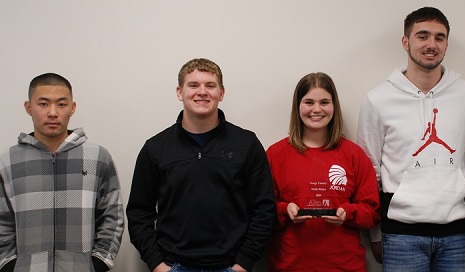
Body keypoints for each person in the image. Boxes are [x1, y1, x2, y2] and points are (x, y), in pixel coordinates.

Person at [357, 6, 465, 271]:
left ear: (447, 44)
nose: (431, 44)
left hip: (459, 236)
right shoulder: (378, 99)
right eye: (423, 36)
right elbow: (369, 172)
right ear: (406, 42)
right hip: (401, 236)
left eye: (439, 37)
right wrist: (376, 234)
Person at [127, 58, 276, 272]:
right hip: (173, 265)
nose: (202, 92)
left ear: (221, 93)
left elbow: (264, 209)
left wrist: (243, 263)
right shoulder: (156, 148)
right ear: (180, 92)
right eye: (194, 85)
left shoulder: (246, 143)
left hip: (231, 266)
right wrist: (157, 265)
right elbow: (139, 212)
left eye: (210, 85)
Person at [0, 73, 124, 272]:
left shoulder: (97, 157)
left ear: (72, 107)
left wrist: (99, 262)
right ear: (28, 107)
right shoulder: (8, 161)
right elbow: (2, 220)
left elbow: (112, 215)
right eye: (43, 104)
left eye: (61, 104)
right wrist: (8, 264)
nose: (52, 112)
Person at [266, 72, 380, 271]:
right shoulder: (275, 155)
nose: (316, 109)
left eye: (324, 102)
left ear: (334, 106)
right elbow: (261, 212)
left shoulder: (353, 154)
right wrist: (285, 211)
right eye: (309, 102)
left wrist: (348, 213)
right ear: (297, 106)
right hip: (290, 265)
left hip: (344, 266)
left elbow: (372, 211)